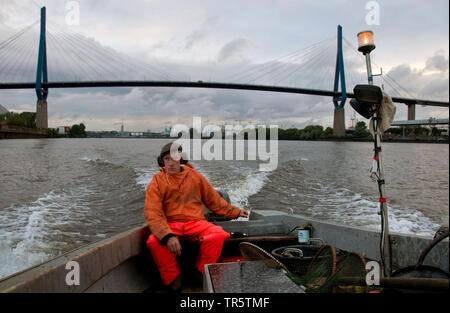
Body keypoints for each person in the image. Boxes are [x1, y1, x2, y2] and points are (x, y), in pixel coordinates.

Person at [144, 142, 248, 291]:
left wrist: (235, 212)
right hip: (171, 225)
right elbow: (152, 212)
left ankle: (201, 272)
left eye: (174, 158)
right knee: (154, 242)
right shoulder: (156, 181)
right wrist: (167, 236)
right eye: (166, 159)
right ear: (161, 161)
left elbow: (214, 200)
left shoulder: (196, 177)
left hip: (196, 222)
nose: (170, 163)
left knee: (217, 235)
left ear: (181, 159)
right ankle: (173, 279)